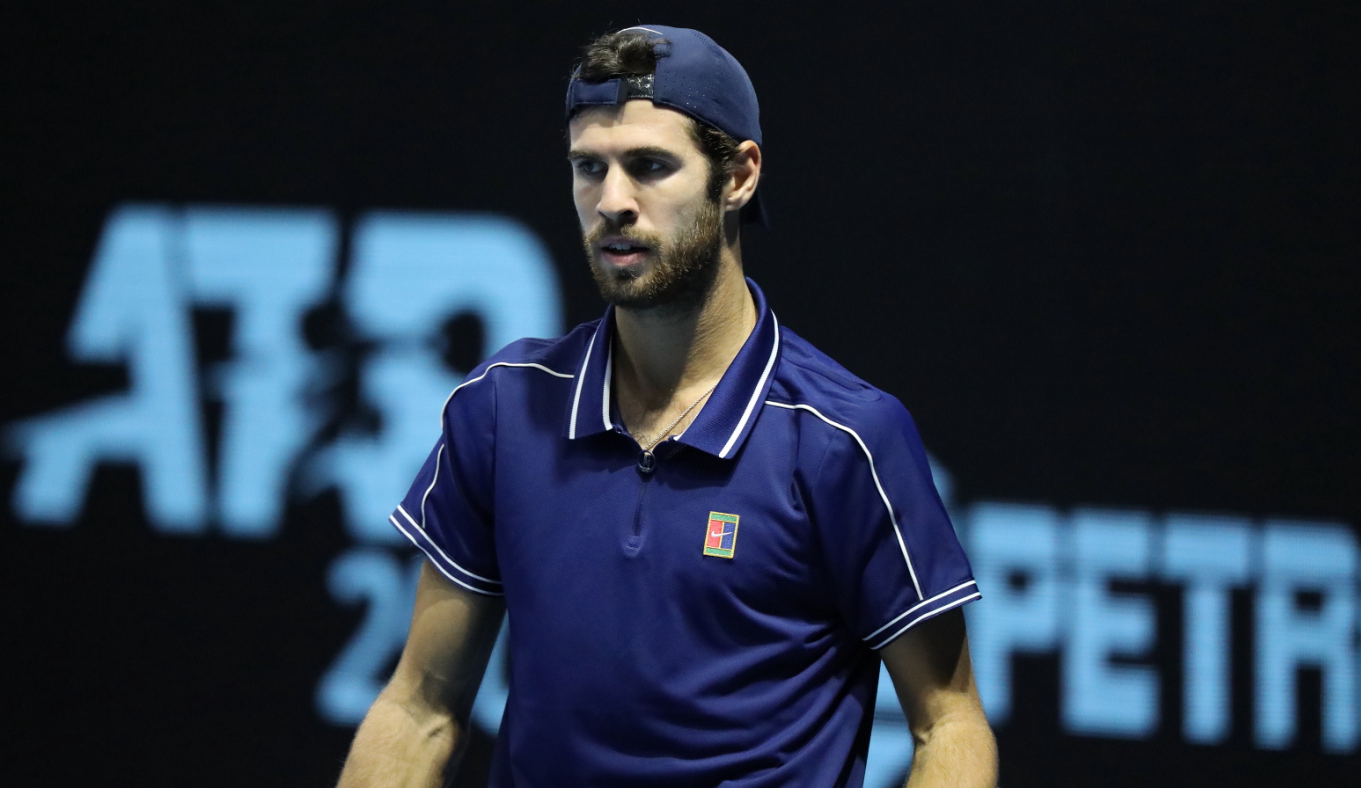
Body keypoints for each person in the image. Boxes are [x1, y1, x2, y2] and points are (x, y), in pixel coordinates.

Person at [337, 24, 997, 788]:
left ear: (739, 176)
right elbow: (420, 709)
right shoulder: (503, 408)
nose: (612, 202)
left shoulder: (844, 439)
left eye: (650, 166)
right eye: (589, 168)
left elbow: (949, 725)